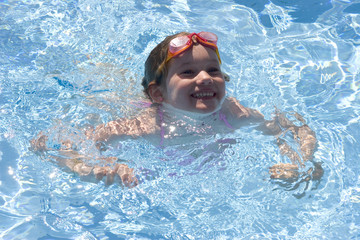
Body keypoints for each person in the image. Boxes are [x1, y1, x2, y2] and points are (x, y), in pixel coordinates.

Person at [31, 31, 323, 188]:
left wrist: (302, 162)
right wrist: (97, 168)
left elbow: (295, 127)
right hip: (142, 108)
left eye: (213, 69)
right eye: (188, 72)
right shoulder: (144, 127)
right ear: (159, 93)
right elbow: (60, 144)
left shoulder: (235, 114)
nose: (206, 77)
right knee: (106, 94)